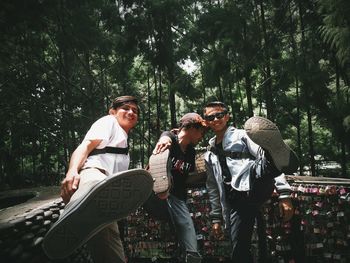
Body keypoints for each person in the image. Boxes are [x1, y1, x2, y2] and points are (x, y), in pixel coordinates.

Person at [43, 96, 153, 262]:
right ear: (113, 112)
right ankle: (73, 211)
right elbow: (85, 146)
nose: (131, 112)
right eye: (126, 108)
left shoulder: (124, 145)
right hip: (93, 175)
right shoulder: (108, 122)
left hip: (107, 194)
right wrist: (72, 171)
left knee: (106, 240)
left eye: (135, 111)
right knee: (96, 191)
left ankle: (78, 218)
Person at [203, 101, 298, 263]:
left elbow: (258, 155)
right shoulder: (209, 153)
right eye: (211, 117)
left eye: (219, 115)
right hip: (236, 202)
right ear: (206, 121)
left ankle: (272, 154)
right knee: (239, 247)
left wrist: (284, 194)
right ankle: (272, 159)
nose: (216, 119)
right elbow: (213, 187)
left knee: (262, 160)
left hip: (253, 184)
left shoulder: (242, 135)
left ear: (227, 116)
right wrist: (216, 219)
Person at [148, 113, 206, 263]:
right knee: (180, 225)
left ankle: (191, 256)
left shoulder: (191, 152)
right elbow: (166, 136)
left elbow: (188, 177)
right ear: (192, 128)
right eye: (201, 132)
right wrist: (164, 140)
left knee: (183, 226)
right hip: (157, 194)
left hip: (178, 197)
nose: (202, 136)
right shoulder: (170, 139)